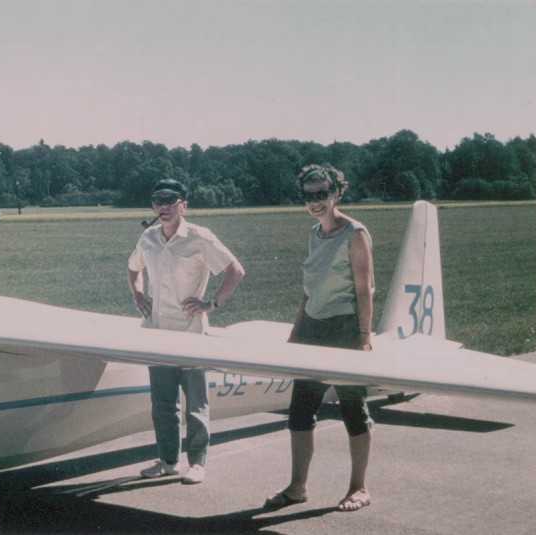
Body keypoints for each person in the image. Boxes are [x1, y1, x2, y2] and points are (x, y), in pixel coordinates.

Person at [264, 164, 375, 512]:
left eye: (322, 194)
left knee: (353, 409)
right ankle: (298, 487)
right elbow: (308, 290)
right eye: (309, 195)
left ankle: (359, 487)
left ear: (337, 193)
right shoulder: (314, 234)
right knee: (300, 412)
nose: (315, 201)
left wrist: (364, 339)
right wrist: (296, 332)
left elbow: (364, 290)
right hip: (313, 328)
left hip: (344, 329)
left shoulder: (355, 233)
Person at [128, 179, 245, 485]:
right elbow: (133, 268)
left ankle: (197, 463)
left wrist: (212, 303)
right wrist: (138, 294)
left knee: (196, 405)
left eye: (171, 201)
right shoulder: (148, 237)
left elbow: (236, 271)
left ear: (184, 205)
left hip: (191, 336)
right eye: (157, 201)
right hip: (157, 334)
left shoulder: (199, 237)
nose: (163, 207)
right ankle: (168, 461)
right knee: (163, 405)